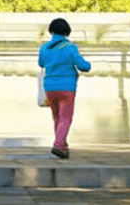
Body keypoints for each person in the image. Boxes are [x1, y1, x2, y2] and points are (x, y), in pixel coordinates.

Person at [38, 18, 91, 159]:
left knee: (57, 117)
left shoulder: (44, 48)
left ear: (51, 31)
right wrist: (88, 64)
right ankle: (58, 144)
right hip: (67, 87)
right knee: (66, 118)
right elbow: (83, 66)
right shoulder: (70, 47)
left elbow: (41, 63)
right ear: (67, 32)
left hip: (49, 87)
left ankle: (62, 146)